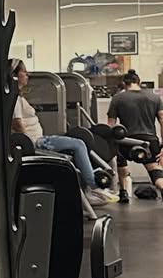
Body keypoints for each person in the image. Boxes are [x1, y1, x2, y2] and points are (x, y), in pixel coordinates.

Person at [10, 60, 112, 207]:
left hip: (39, 139)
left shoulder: (19, 98)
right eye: (24, 72)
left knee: (78, 144)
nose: (27, 76)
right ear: (15, 76)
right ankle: (94, 185)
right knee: (78, 144)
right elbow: (17, 124)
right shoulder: (15, 100)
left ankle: (89, 184)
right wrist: (29, 146)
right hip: (37, 142)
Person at [107, 71, 163, 202]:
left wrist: (110, 145)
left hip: (126, 140)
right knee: (155, 170)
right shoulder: (154, 97)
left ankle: (124, 192)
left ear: (124, 84)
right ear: (139, 82)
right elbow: (162, 119)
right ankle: (162, 186)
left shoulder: (118, 98)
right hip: (149, 140)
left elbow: (111, 125)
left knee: (122, 163)